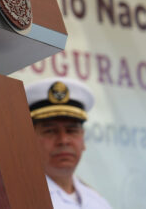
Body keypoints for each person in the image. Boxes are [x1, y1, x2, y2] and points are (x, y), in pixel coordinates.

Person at [25, 78, 112, 209]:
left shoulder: (99, 203)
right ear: (31, 140)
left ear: (83, 139)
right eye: (50, 131)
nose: (63, 140)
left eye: (71, 130)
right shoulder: (21, 199)